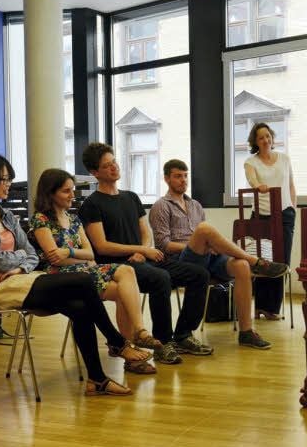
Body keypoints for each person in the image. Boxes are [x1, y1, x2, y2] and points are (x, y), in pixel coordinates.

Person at [0, 153, 135, 397]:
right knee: (82, 280)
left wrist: (17, 267)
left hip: (19, 279)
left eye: (9, 179)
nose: (8, 184)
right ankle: (116, 341)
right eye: (4, 179)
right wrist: (16, 260)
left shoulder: (5, 215)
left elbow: (31, 256)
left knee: (80, 306)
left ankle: (97, 380)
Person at [79, 143, 212, 364]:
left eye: (114, 162)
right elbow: (101, 246)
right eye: (107, 165)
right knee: (161, 278)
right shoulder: (91, 205)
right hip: (117, 267)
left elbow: (146, 232)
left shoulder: (131, 197)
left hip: (142, 260)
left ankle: (183, 335)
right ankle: (162, 342)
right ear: (95, 173)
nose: (114, 167)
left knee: (199, 275)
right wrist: (140, 250)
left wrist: (144, 250)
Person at [29, 168, 163, 375]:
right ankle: (132, 350)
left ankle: (138, 332)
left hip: (86, 270)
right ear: (51, 193)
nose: (72, 195)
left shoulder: (73, 219)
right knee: (122, 291)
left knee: (127, 272)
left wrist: (69, 251)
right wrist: (73, 254)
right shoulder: (41, 220)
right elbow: (55, 259)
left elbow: (90, 253)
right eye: (66, 191)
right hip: (64, 278)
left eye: (72, 190)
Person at [150, 159, 288, 350]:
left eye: (185, 176)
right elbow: (163, 245)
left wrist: (208, 245)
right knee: (205, 230)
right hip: (180, 261)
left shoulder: (195, 205)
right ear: (166, 179)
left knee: (241, 266)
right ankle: (257, 261)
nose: (183, 180)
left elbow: (205, 238)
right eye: (177, 176)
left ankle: (246, 332)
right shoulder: (161, 206)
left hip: (205, 256)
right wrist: (197, 243)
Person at [243, 122, 297, 321]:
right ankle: (259, 307)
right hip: (261, 214)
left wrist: (293, 207)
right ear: (255, 142)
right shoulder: (251, 162)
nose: (265, 140)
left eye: (268, 136)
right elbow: (251, 180)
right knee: (262, 260)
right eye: (260, 138)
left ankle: (272, 308)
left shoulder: (284, 158)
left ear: (272, 137)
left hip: (284, 214)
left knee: (281, 260)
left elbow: (291, 185)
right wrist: (259, 186)